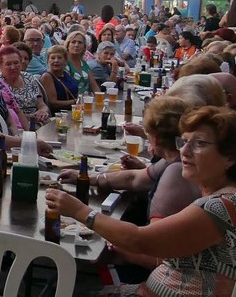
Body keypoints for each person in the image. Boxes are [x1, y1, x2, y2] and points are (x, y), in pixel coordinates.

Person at [46, 105, 236, 296]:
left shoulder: (219, 208)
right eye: (184, 141)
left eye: (200, 144)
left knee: (69, 287)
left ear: (231, 157)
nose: (184, 151)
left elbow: (139, 240)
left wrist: (80, 211)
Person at [58, 96, 201, 271]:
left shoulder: (175, 174)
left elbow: (155, 248)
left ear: (154, 138)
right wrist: (90, 177)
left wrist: (81, 212)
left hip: (159, 277)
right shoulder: (174, 161)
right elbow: (133, 178)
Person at [0, 45, 49, 124]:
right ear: (0, 66)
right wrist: (32, 116)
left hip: (39, 121)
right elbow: (7, 115)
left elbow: (41, 104)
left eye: (16, 62)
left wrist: (42, 111)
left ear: (21, 63)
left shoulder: (29, 77)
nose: (13, 67)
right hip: (17, 126)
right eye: (8, 64)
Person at [39, 45, 78, 113]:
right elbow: (52, 103)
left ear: (65, 61)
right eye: (53, 58)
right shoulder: (47, 77)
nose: (56, 61)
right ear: (48, 60)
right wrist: (76, 101)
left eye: (59, 58)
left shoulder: (66, 74)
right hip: (59, 115)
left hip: (74, 112)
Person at [65, 30, 99, 95]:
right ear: (68, 45)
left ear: (84, 47)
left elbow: (95, 87)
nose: (76, 45)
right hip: (72, 101)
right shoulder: (64, 64)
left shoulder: (84, 64)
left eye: (80, 42)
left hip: (87, 101)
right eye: (73, 42)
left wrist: (100, 100)